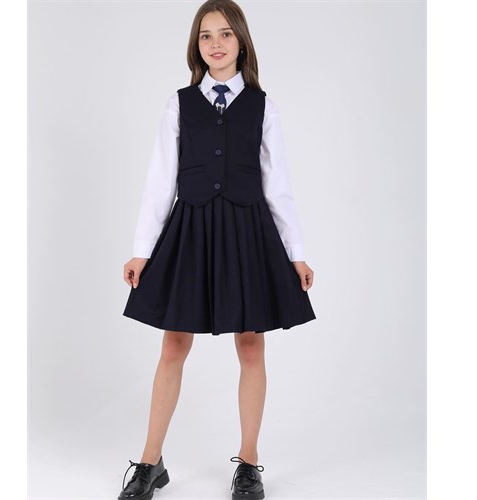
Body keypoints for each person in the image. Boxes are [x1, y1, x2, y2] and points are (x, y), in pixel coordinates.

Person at [119, 1, 316, 499]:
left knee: (250, 345)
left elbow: (278, 184)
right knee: (173, 344)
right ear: (196, 46)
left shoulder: (263, 106)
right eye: (206, 36)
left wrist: (295, 251)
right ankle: (149, 462)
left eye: (225, 34)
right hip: (192, 230)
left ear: (242, 41)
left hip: (249, 231)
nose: (216, 44)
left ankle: (248, 463)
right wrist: (142, 248)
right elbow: (161, 179)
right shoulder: (179, 104)